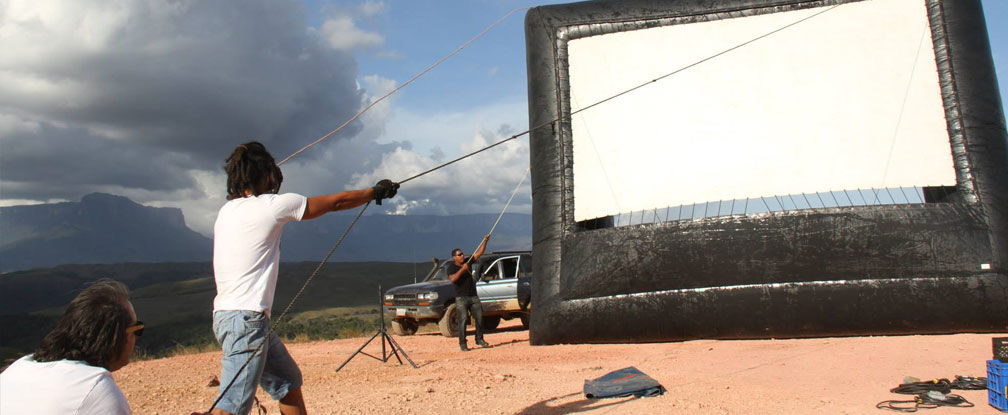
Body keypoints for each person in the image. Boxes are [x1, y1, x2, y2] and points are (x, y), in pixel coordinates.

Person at [204, 141, 398, 415]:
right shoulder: (272, 205)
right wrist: (374, 192)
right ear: (265, 174)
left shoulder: (227, 211)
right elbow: (335, 202)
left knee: (288, 382)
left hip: (230, 318)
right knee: (231, 409)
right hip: (247, 321)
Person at [0, 279, 142, 415]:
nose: (136, 337)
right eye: (137, 329)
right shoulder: (96, 389)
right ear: (115, 337)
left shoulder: (18, 368)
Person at [446, 234, 491, 352]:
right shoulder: (451, 267)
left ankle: (479, 339)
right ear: (454, 257)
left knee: (480, 317)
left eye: (462, 254)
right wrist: (463, 269)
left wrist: (485, 241)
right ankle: (462, 343)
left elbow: (479, 253)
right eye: (459, 255)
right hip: (461, 298)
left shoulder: (468, 261)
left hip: (473, 295)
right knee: (463, 320)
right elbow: (452, 279)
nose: (462, 256)